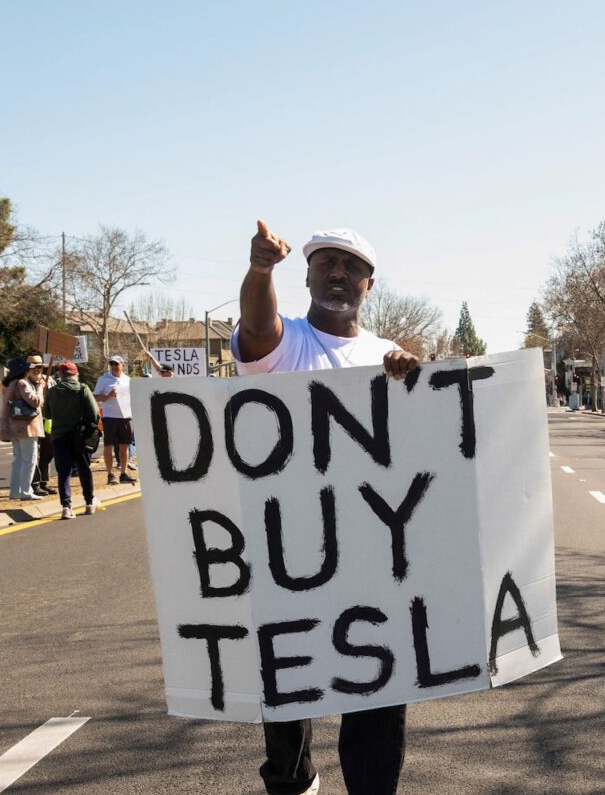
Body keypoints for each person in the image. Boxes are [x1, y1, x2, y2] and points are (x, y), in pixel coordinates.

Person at [235, 220, 422, 795]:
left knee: (377, 691)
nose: (337, 274)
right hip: (289, 555)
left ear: (369, 284)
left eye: (351, 267)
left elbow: (420, 449)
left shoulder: (386, 353)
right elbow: (257, 325)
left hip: (370, 557)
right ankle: (295, 784)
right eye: (325, 264)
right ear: (308, 274)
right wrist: (261, 268)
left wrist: (412, 378)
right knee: (288, 693)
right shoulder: (285, 340)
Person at [45, 361, 100, 518]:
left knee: (64, 472)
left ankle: (66, 507)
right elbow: (94, 413)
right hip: (80, 436)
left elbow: (47, 414)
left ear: (60, 375)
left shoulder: (52, 391)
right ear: (76, 374)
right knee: (84, 470)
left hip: (59, 435)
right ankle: (89, 503)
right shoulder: (83, 389)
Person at [1, 355, 46, 501]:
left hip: (14, 426)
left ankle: (15, 491)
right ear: (24, 371)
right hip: (26, 426)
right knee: (29, 460)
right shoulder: (22, 383)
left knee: (18, 460)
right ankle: (26, 491)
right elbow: (35, 401)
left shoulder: (9, 384)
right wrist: (40, 388)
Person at [93, 356, 135, 485]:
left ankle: (123, 474)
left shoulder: (128, 380)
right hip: (110, 417)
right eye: (112, 364)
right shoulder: (104, 379)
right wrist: (107, 396)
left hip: (126, 417)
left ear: (123, 365)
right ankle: (110, 475)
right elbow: (95, 396)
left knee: (124, 447)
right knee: (108, 446)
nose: (114, 366)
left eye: (117, 364)